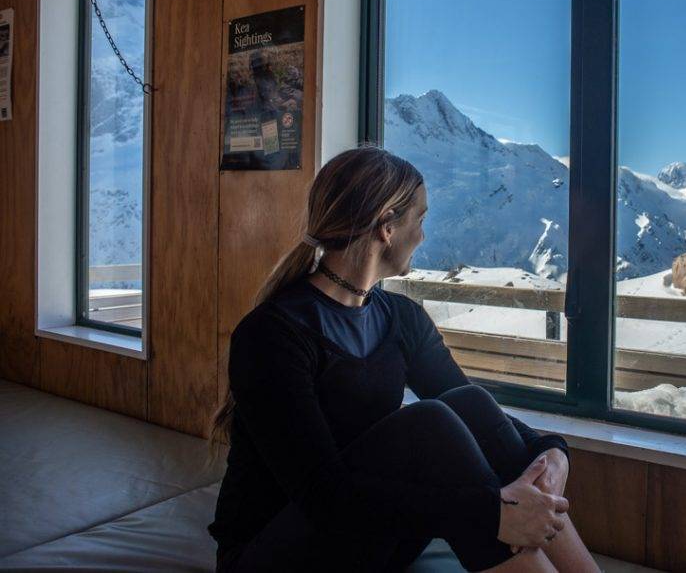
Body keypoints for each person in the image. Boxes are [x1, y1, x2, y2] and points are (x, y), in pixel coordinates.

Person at [207, 145, 601, 572]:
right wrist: (491, 513)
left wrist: (552, 451)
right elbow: (324, 496)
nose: (424, 236)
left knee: (463, 404)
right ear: (386, 227)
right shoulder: (273, 334)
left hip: (367, 532)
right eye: (421, 219)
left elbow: (478, 413)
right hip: (280, 550)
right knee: (429, 423)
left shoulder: (400, 318)